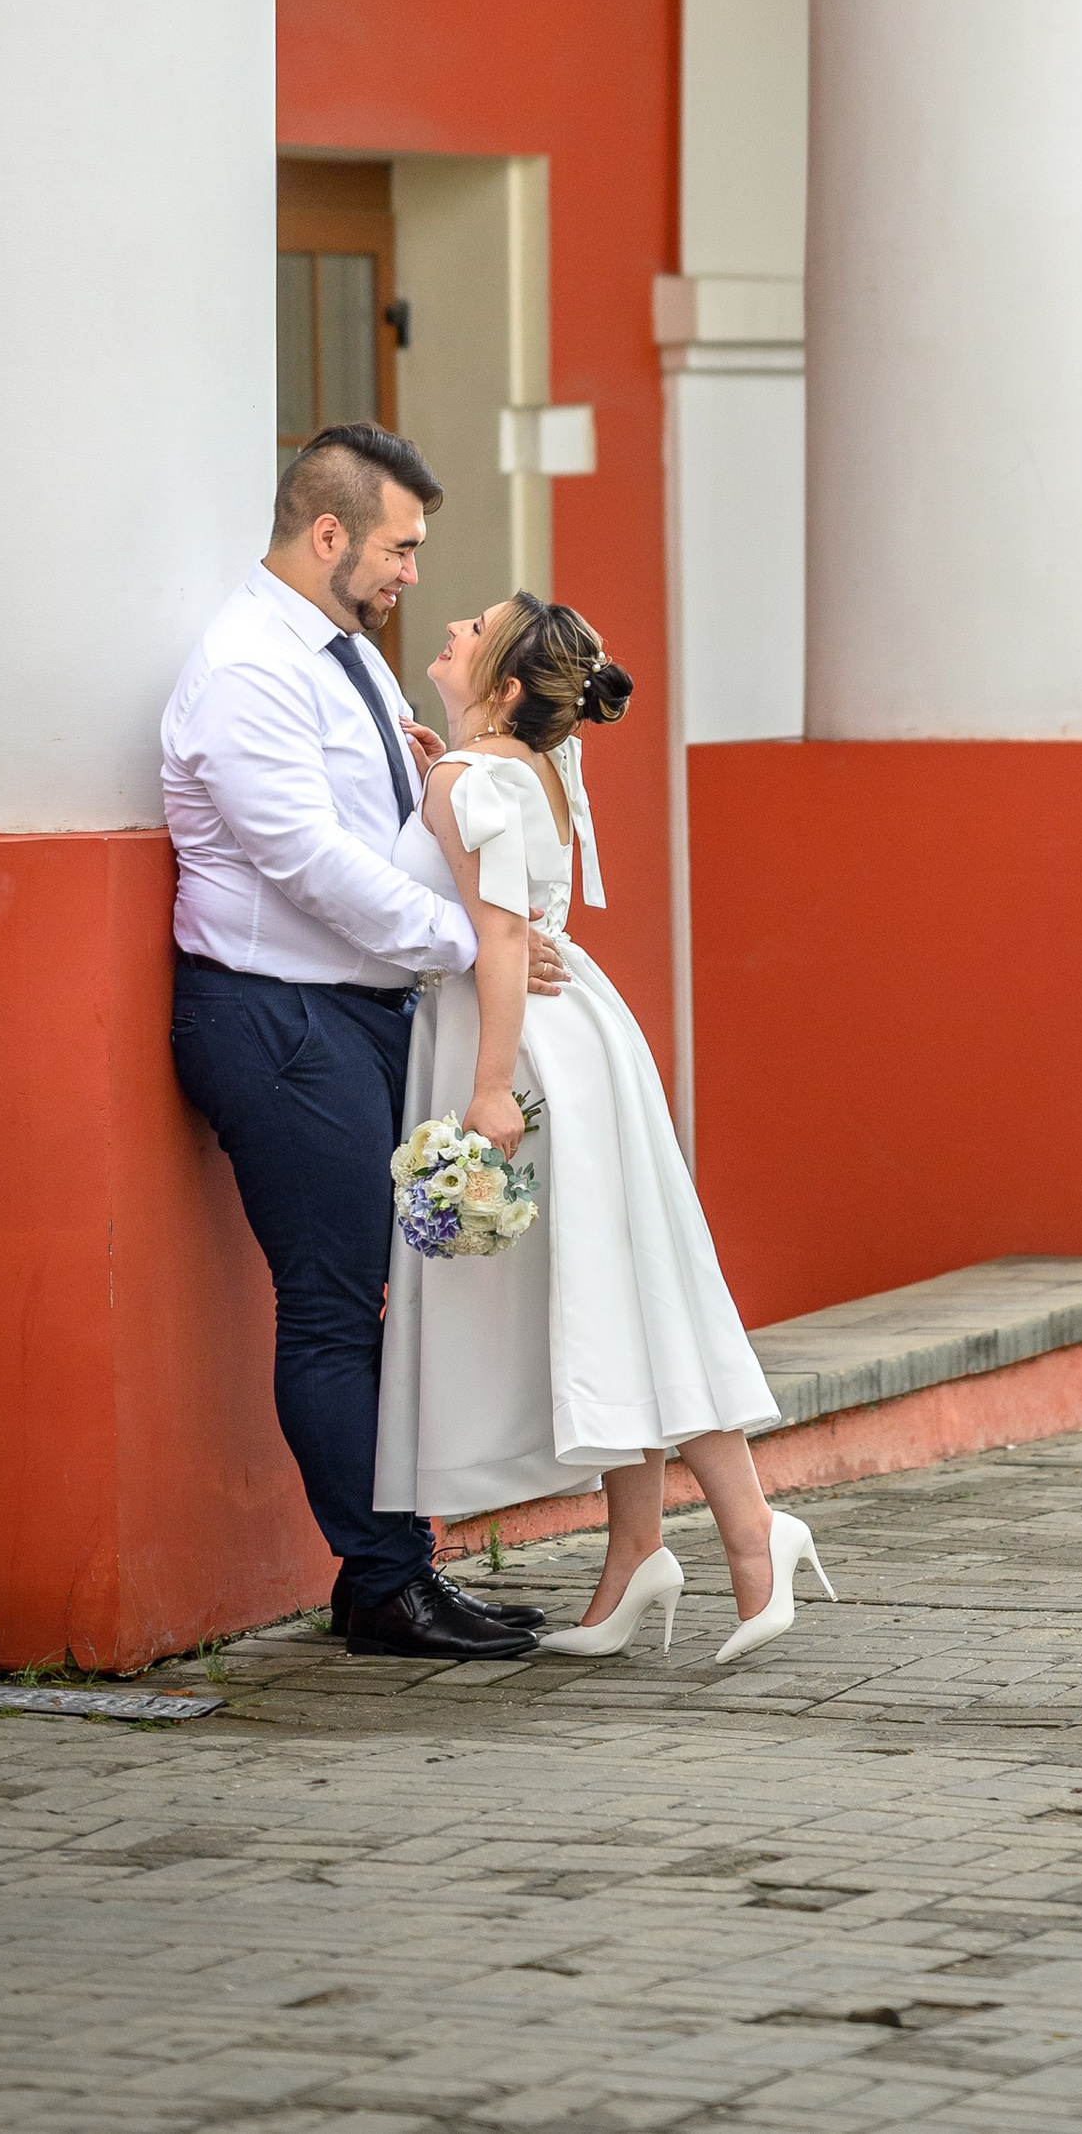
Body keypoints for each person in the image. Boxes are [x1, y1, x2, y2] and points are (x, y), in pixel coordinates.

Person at [375, 593, 834, 1665]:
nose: (450, 622)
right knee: (612, 1295)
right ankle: (638, 1550)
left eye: (471, 626)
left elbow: (493, 939)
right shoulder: (509, 767)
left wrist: (487, 1091)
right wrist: (445, 776)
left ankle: (751, 1531)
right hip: (577, 1033)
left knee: (621, 1299)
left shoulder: (468, 779)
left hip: (520, 1046)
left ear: (498, 687)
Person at [163, 424, 559, 1663]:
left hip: (348, 1016)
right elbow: (304, 863)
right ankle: (385, 1583)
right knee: (336, 1309)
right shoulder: (246, 666)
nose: (410, 576)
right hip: (275, 1018)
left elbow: (371, 822)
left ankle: (395, 1572)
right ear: (328, 533)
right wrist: (467, 943)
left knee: (378, 1303)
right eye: (399, 547)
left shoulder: (349, 660)